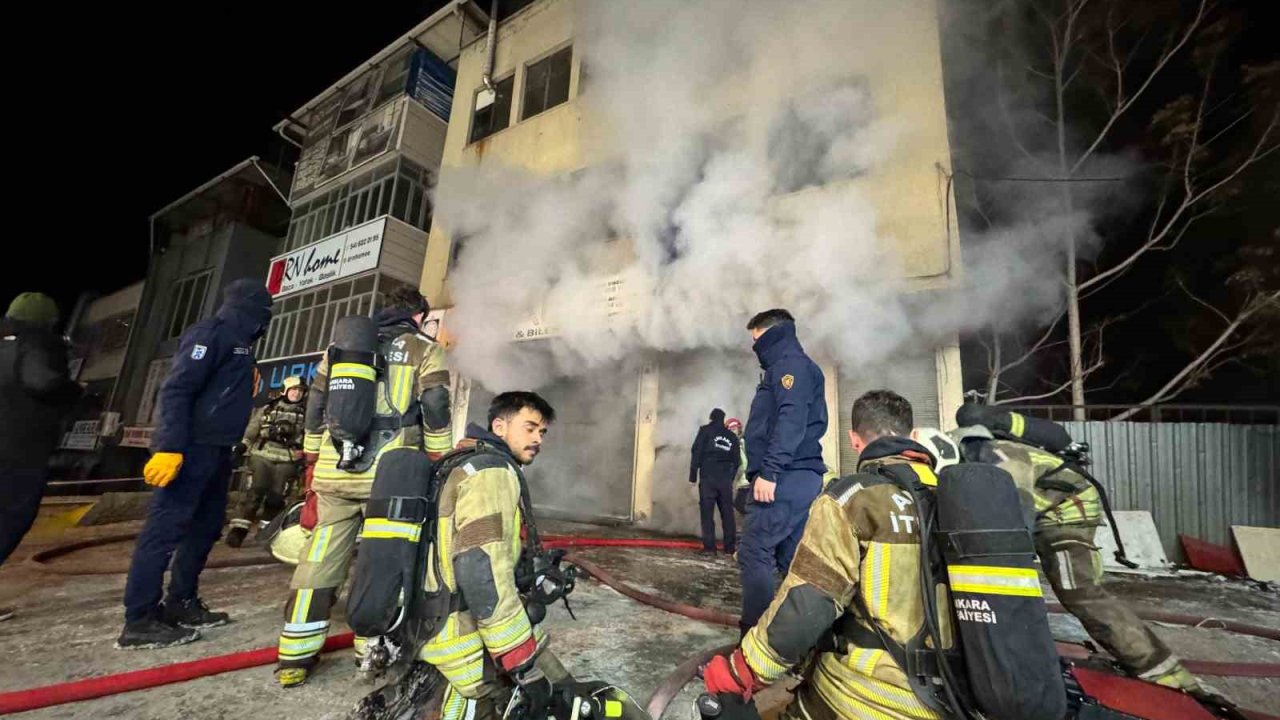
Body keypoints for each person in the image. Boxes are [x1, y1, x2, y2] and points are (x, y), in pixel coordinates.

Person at [706, 390, 955, 720]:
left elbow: (808, 603)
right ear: (912, 436)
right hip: (951, 701)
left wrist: (741, 670)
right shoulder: (956, 502)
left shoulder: (854, 498)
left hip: (860, 699)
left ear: (854, 440)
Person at [950, 409, 1203, 693]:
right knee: (1074, 590)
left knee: (1080, 592)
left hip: (1067, 514)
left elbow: (1013, 515)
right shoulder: (989, 456)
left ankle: (1157, 669)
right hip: (1051, 513)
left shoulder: (1001, 458)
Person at [276, 286, 452, 687]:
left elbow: (317, 403)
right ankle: (370, 651)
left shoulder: (338, 349)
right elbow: (437, 403)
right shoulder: (423, 349)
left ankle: (294, 657)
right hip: (390, 477)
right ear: (418, 316)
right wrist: (439, 457)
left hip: (335, 470)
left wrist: (312, 454)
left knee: (320, 555)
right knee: (381, 561)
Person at [117, 279, 273, 649]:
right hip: (190, 450)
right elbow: (176, 389)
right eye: (264, 312)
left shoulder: (241, 346)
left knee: (204, 530)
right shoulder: (211, 335)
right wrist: (169, 446)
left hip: (218, 451)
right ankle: (139, 619)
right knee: (164, 532)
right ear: (251, 310)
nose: (267, 321)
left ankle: (181, 602)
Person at [418, 391, 572, 720]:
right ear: (499, 426)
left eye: (542, 432)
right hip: (459, 637)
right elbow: (479, 565)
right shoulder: (492, 472)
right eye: (529, 428)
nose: (537, 439)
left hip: (427, 620)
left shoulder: (459, 460)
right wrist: (516, 657)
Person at [738, 309, 828, 633]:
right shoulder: (790, 367)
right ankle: (803, 635)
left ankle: (753, 642)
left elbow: (790, 421)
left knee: (754, 549)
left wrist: (770, 471)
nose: (754, 348)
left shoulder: (790, 366)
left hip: (785, 475)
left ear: (771, 334)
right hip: (796, 475)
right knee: (791, 558)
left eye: (755, 340)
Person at [0, 292, 82, 622]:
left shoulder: (4, 346)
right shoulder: (36, 344)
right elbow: (41, 382)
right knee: (12, 518)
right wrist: (74, 390)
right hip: (20, 450)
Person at [225, 375, 307, 548]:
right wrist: (242, 446)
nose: (297, 394)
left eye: (300, 391)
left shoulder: (306, 413)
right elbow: (252, 430)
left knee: (276, 498)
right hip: (263, 456)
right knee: (254, 492)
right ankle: (238, 531)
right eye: (294, 390)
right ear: (285, 390)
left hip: (288, 459)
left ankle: (266, 533)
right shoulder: (269, 409)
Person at [689, 408, 741, 556]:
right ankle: (730, 548)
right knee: (727, 514)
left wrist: (693, 476)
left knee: (707, 514)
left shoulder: (705, 431)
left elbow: (696, 451)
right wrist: (729, 478)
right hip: (725, 480)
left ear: (711, 418)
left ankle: (709, 548)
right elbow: (737, 460)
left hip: (708, 479)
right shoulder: (731, 437)